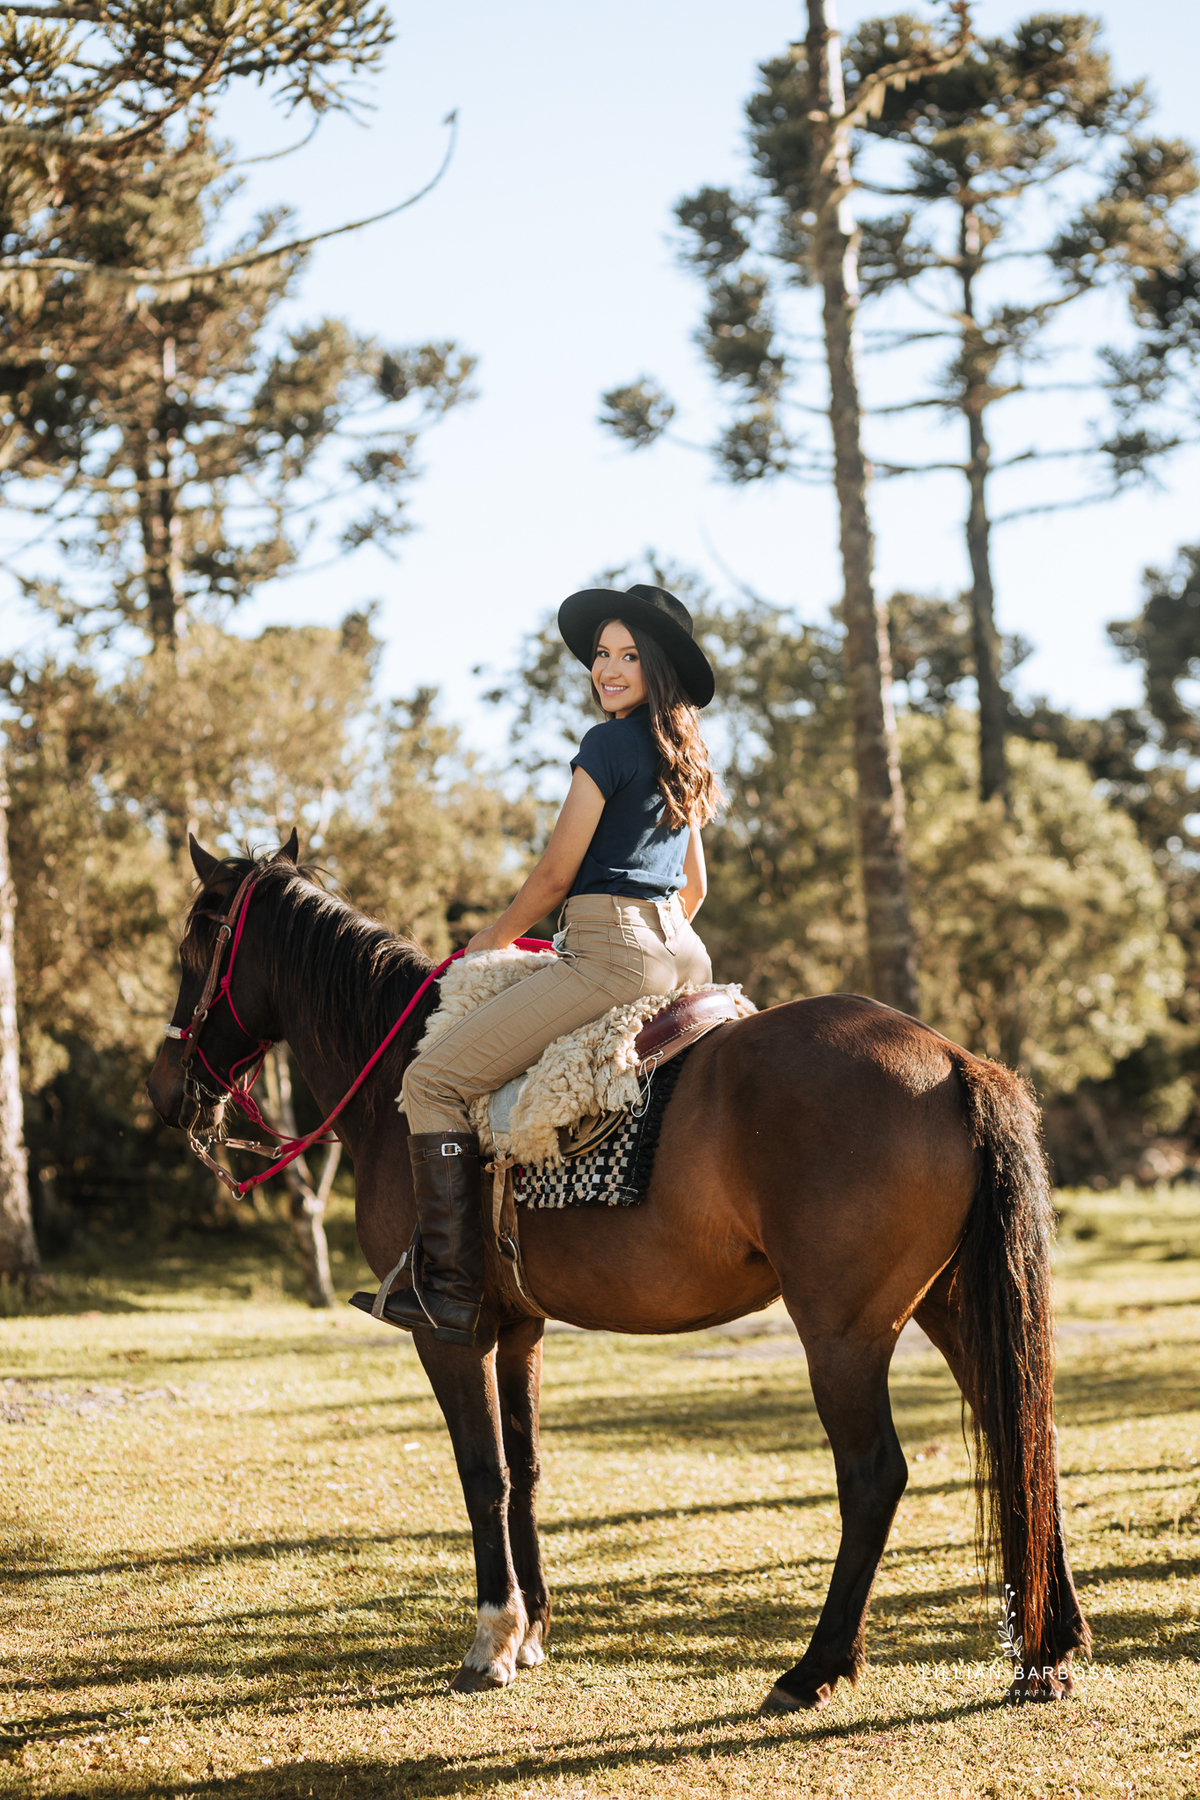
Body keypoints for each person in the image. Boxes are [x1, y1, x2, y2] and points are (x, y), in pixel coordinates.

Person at [382, 583, 722, 1346]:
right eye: (602, 654)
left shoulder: (605, 746)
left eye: (628, 655)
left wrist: (492, 941)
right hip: (683, 952)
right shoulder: (684, 752)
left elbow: (553, 878)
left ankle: (452, 1285)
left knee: (431, 1081)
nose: (608, 668)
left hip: (610, 952)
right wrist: (652, 941)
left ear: (657, 665)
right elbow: (694, 886)